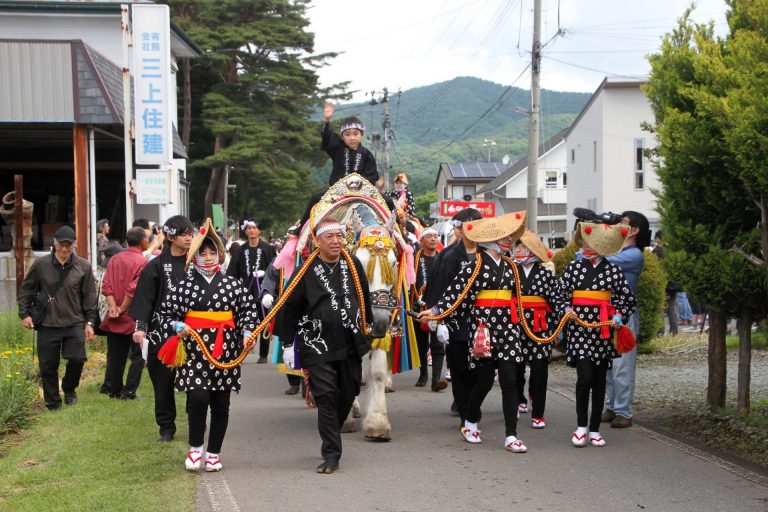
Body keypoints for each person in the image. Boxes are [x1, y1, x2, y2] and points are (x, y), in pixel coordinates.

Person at [419, 212, 529, 453]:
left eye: (510, 237)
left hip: (508, 328)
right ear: (490, 239)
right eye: (503, 237)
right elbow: (455, 294)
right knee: (484, 381)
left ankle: (511, 435)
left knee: (510, 380)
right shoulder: (474, 265)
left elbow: (519, 300)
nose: (508, 241)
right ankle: (470, 419)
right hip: (483, 329)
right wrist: (435, 312)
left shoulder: (512, 267)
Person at [158, 219, 258, 472]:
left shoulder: (233, 285)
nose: (208, 257)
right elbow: (166, 313)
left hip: (226, 351)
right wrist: (177, 326)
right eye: (203, 253)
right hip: (195, 350)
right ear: (194, 257)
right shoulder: (183, 286)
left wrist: (247, 333)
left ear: (220, 255)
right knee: (198, 398)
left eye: (213, 253)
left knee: (221, 404)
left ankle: (213, 453)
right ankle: (195, 449)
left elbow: (248, 312)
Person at [275, 218, 373, 474]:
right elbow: (289, 306)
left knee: (349, 391)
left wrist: (368, 326)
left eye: (339, 236)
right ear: (318, 241)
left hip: (349, 340)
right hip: (317, 343)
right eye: (329, 237)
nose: (336, 241)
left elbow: (363, 296)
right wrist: (287, 344)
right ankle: (332, 452)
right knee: (326, 395)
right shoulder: (305, 270)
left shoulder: (353, 265)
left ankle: (331, 437)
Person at [559, 220, 637, 448]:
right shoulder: (573, 268)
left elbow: (626, 298)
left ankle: (594, 428)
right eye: (585, 242)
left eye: (591, 243)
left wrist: (619, 315)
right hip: (579, 328)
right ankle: (581, 426)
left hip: (602, 330)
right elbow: (559, 293)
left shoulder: (613, 270)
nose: (586, 246)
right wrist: (566, 308)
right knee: (584, 377)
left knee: (599, 379)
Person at [129, 215, 195, 442]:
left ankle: (195, 422)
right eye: (183, 234)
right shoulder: (155, 266)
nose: (188, 238)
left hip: (192, 330)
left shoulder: (195, 263)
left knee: (196, 381)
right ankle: (166, 427)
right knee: (162, 382)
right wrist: (140, 327)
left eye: (190, 234)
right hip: (161, 332)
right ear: (170, 236)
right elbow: (144, 299)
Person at [18, 226, 98, 410]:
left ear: (74, 245)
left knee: (77, 359)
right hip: (47, 323)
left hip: (74, 322)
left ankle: (69, 388)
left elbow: (89, 296)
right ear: (54, 244)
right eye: (61, 245)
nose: (64, 249)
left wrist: (90, 322)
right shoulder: (41, 265)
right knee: (48, 365)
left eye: (68, 245)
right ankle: (53, 402)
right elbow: (26, 290)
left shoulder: (83, 266)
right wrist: (24, 314)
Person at [422, 208, 483, 423]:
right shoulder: (449, 256)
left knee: (480, 369)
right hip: (456, 320)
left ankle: (471, 404)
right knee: (459, 368)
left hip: (483, 321)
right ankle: (464, 411)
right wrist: (438, 318)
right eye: (462, 226)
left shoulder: (487, 253)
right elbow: (439, 288)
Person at [289, 102, 379, 235]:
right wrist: (326, 120)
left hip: (361, 191)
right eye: (347, 134)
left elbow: (372, 176)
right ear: (342, 136)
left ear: (362, 134)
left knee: (388, 201)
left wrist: (359, 184)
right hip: (337, 191)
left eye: (355, 134)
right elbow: (327, 136)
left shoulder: (366, 154)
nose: (352, 137)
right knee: (315, 197)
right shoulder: (338, 148)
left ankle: (399, 232)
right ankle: (301, 227)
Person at [602, 211, 649, 429]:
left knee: (622, 364)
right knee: (608, 364)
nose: (619, 225)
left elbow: (604, 261)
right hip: (608, 312)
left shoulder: (634, 255)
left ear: (635, 230)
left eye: (624, 222)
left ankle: (623, 411)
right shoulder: (619, 249)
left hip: (625, 313)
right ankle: (612, 406)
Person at [513, 230, 562, 429]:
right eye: (517, 246)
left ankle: (538, 411)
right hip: (514, 324)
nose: (518, 249)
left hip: (540, 326)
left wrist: (556, 329)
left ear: (533, 250)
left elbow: (556, 301)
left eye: (523, 246)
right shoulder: (511, 270)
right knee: (515, 367)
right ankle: (518, 398)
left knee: (540, 367)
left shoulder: (545, 273)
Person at [100, 227, 149, 400]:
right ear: (143, 242)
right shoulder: (143, 262)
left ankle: (114, 390)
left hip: (114, 315)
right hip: (133, 315)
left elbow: (106, 285)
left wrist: (113, 307)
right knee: (138, 356)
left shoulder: (115, 259)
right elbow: (133, 289)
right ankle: (129, 391)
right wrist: (121, 308)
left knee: (115, 356)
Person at [226, 219, 276, 363]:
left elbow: (275, 268)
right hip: (245, 292)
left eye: (254, 228)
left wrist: (266, 275)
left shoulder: (268, 248)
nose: (252, 231)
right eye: (249, 228)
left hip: (263, 292)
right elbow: (232, 273)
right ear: (245, 230)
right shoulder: (240, 250)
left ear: (259, 230)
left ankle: (263, 355)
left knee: (264, 321)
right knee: (242, 322)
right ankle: (240, 353)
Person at [260, 262, 304, 395]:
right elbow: (270, 278)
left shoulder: (315, 259)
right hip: (286, 307)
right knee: (287, 345)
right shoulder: (282, 260)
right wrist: (267, 293)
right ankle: (293, 381)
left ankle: (308, 384)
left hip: (308, 310)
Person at [413, 227, 446, 391]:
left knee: (438, 343)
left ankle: (436, 380)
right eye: (429, 236)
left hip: (438, 307)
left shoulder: (444, 258)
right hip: (418, 305)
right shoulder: (414, 259)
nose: (433, 239)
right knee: (421, 343)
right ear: (421, 241)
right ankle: (423, 374)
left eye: (435, 236)